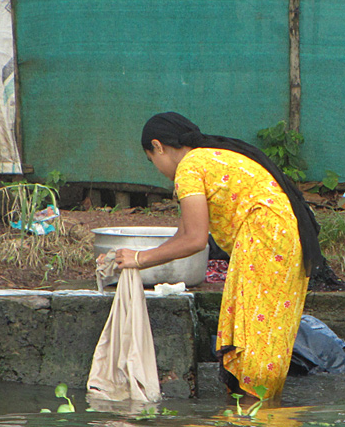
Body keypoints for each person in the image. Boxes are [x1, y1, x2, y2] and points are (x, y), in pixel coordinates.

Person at [113, 112, 323, 400]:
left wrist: (139, 259)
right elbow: (182, 235)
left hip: (266, 238)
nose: (158, 168)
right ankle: (263, 421)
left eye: (152, 161)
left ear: (158, 147)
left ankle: (252, 426)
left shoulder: (189, 168)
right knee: (269, 331)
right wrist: (136, 258)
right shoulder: (206, 158)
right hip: (282, 237)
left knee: (255, 335)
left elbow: (195, 240)